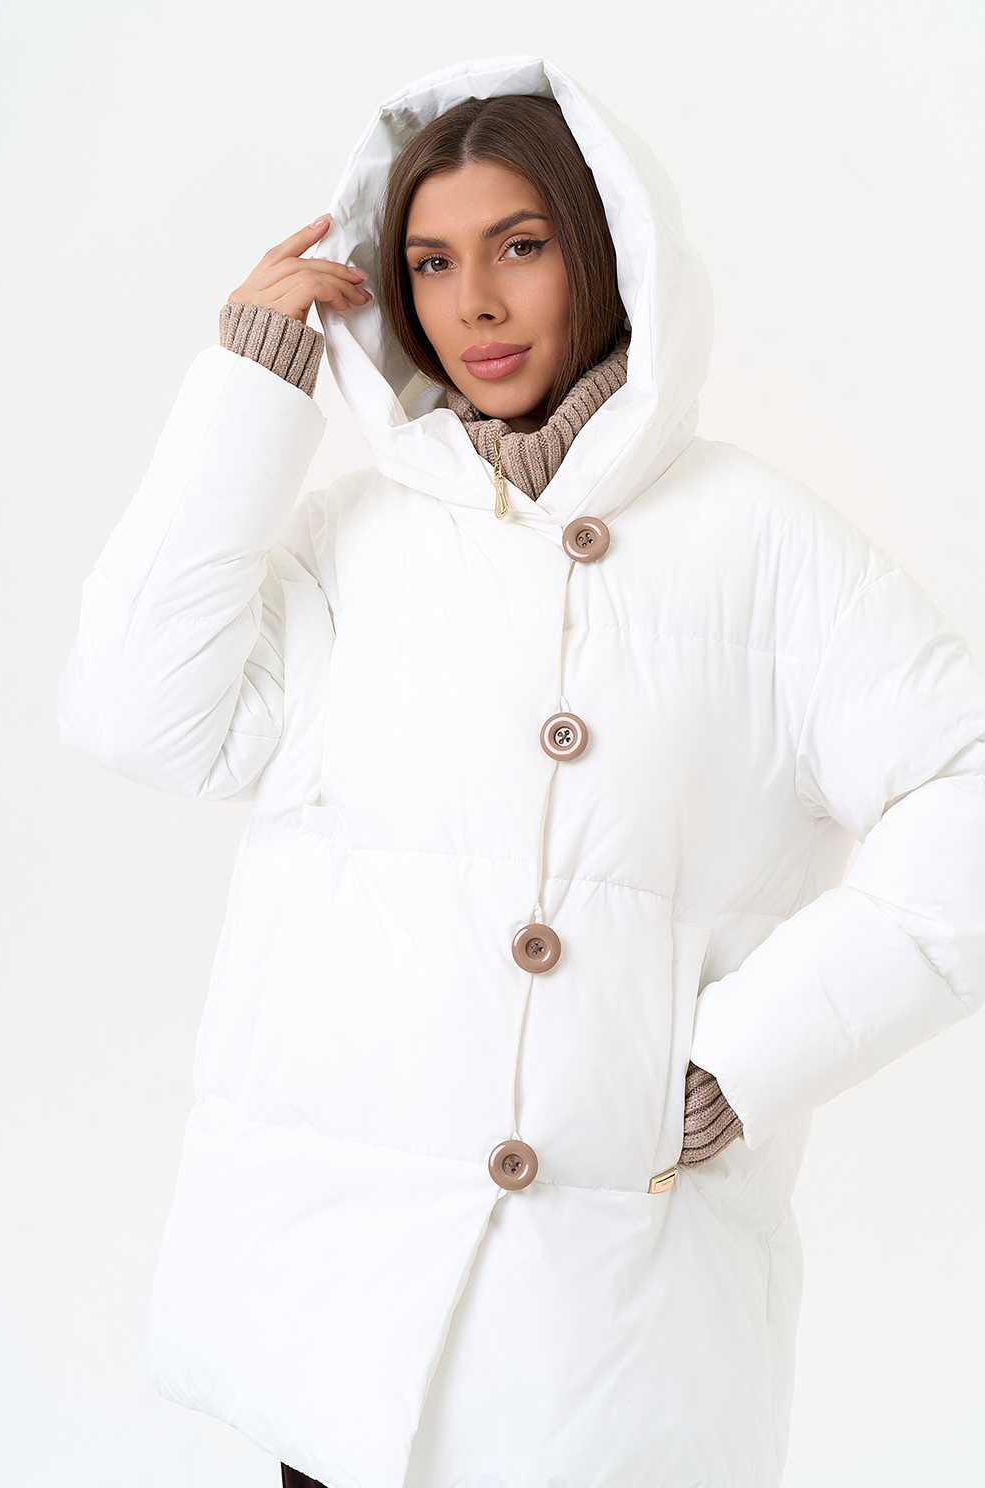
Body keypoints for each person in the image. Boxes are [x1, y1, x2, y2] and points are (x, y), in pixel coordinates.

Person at [57, 54, 985, 1488]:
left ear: (605, 254)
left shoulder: (765, 542)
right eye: (431, 261)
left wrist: (748, 1054)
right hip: (347, 1326)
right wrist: (248, 389)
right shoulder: (352, 540)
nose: (474, 304)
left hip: (612, 1324)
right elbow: (139, 716)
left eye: (521, 246)